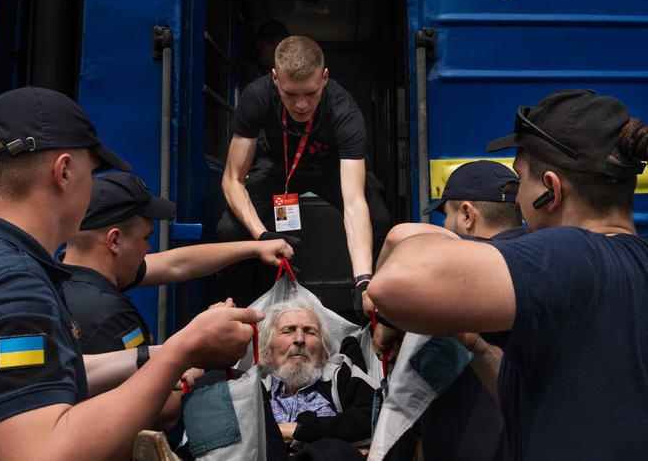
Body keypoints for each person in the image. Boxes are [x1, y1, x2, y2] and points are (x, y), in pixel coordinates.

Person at [0, 86, 263, 460]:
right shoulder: (12, 288)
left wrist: (161, 353)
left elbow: (59, 370)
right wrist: (184, 349)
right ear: (64, 171)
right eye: (92, 172)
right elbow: (41, 452)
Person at [367, 89, 648, 459]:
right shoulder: (631, 263)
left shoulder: (563, 257)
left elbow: (393, 281)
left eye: (521, 181)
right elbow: (549, 404)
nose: (516, 201)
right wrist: (473, 341)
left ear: (551, 189)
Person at [216, 35, 389, 312]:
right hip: (277, 166)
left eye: (310, 93)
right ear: (275, 79)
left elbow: (355, 201)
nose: (301, 105)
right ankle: (236, 315)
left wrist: (363, 279)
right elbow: (233, 179)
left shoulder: (344, 111)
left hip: (330, 168)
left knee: (379, 218)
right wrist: (262, 237)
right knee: (228, 230)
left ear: (324, 77)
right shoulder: (257, 96)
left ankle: (372, 304)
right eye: (290, 94)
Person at [377, 160, 525, 461]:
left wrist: (385, 319)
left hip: (469, 437)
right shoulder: (541, 258)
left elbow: (397, 236)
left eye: (446, 216)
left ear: (467, 215)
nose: (443, 227)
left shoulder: (457, 265)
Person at [61, 171, 293, 354]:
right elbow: (155, 406)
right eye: (145, 238)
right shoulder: (108, 318)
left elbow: (178, 263)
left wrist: (256, 247)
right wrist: (200, 343)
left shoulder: (72, 275)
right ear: (114, 240)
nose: (149, 249)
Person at [258, 298, 377, 448]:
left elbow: (376, 418)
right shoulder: (254, 393)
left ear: (324, 354)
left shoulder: (342, 376)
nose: (299, 339)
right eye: (288, 331)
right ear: (267, 353)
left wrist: (298, 430)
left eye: (309, 332)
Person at [239, 19, 290, 90]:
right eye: (270, 43)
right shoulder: (250, 71)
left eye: (281, 46)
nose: (276, 50)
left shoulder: (282, 76)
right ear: (258, 43)